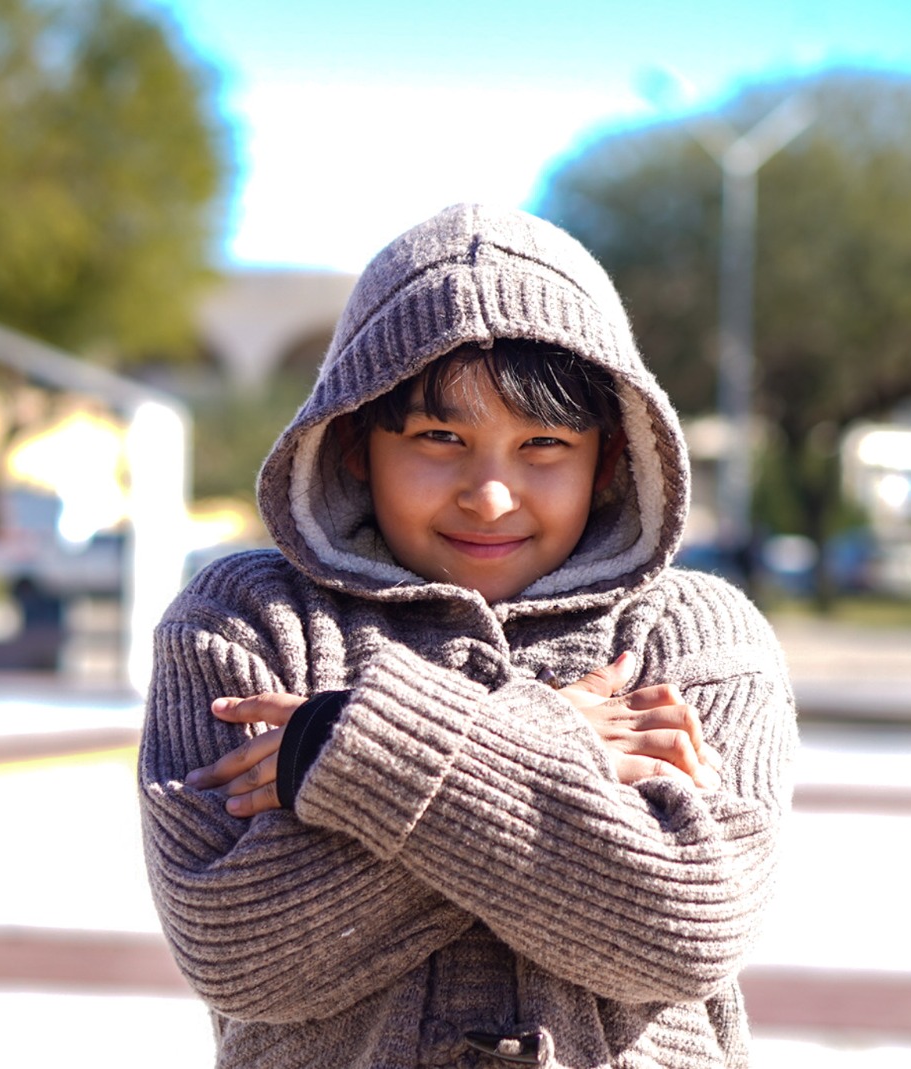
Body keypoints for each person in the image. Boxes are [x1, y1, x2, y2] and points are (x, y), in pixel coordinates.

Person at [139, 204, 797, 1068]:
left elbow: (684, 929)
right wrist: (564, 745)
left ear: (608, 458)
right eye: (440, 437)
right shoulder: (245, 619)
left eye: (544, 443)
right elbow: (238, 951)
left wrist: (354, 753)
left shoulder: (695, 632)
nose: (490, 496)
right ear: (352, 440)